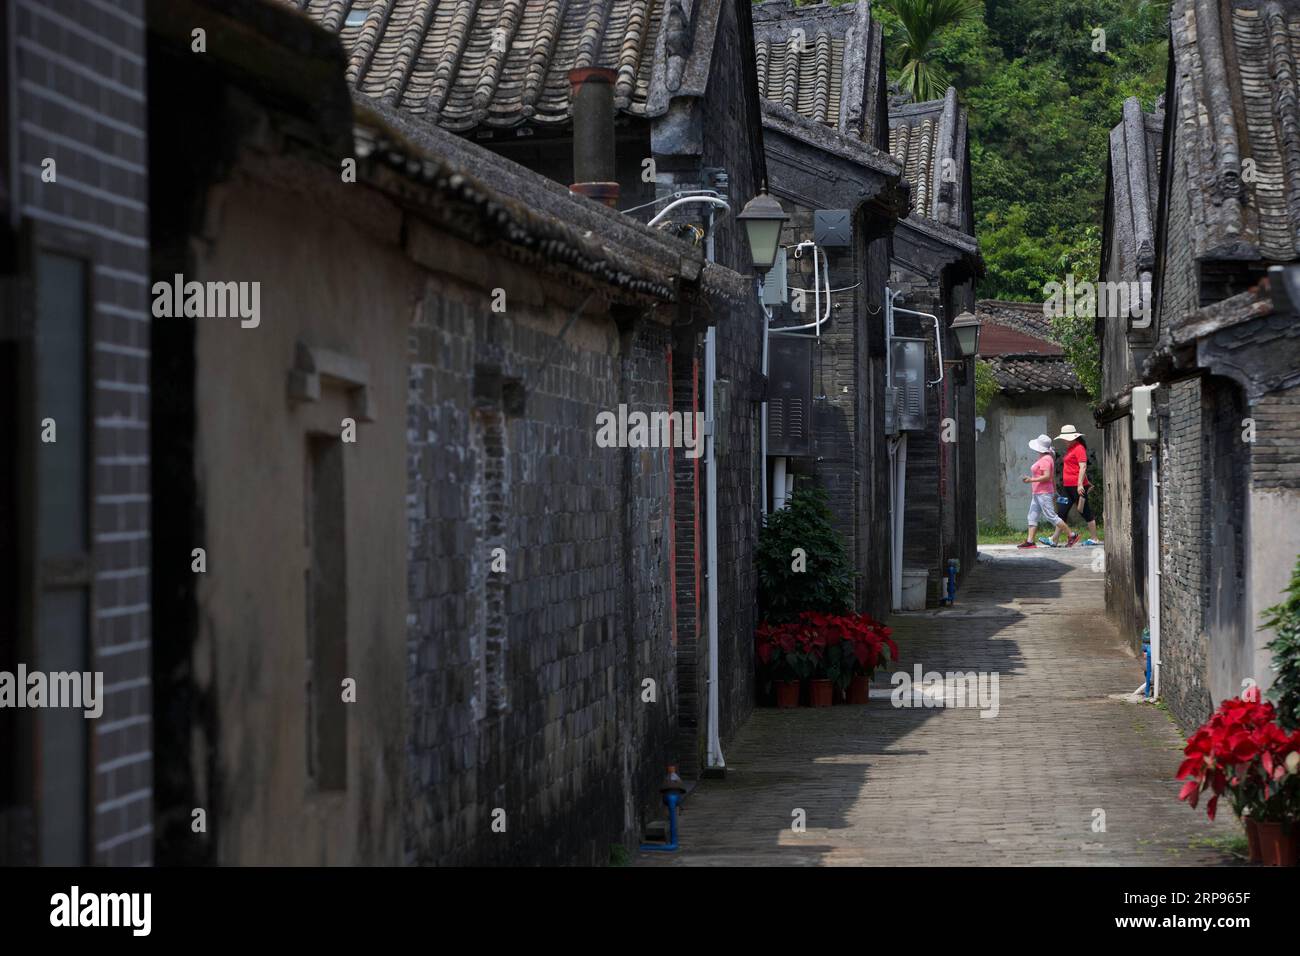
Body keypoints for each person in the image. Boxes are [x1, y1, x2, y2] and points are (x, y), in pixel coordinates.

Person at [1017, 434, 1075, 549]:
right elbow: (1052, 477)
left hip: (1043, 493)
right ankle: (1030, 541)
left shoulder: (1045, 459)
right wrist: (1054, 491)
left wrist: (1031, 479)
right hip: (1038, 492)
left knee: (1051, 516)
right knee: (1032, 516)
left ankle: (1071, 535)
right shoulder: (1044, 458)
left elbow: (1047, 476)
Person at [1056, 425, 1100, 546]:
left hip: (1078, 486)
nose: (1064, 441)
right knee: (1061, 510)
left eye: (1065, 438)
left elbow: (1083, 466)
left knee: (1084, 510)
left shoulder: (1079, 448)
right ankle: (1054, 539)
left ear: (1072, 438)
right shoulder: (1070, 449)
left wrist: (1080, 484)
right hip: (1067, 487)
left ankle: (1094, 538)